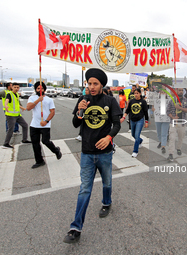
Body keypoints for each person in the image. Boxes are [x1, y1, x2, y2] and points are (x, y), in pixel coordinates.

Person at [63, 68, 122, 243]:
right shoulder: (82, 100)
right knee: (85, 189)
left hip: (104, 153)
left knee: (107, 181)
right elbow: (75, 123)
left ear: (102, 84)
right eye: (89, 83)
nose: (92, 86)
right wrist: (80, 111)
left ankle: (106, 202)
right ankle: (76, 227)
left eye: (95, 83)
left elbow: (117, 125)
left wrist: (109, 137)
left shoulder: (110, 101)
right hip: (87, 153)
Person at [26, 82, 62, 169]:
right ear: (35, 89)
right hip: (34, 125)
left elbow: (52, 112)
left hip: (45, 125)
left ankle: (56, 150)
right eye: (38, 88)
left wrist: (46, 121)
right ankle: (39, 161)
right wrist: (38, 100)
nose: (40, 90)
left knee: (45, 141)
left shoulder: (49, 100)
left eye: (41, 88)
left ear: (45, 89)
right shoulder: (32, 98)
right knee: (35, 144)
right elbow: (28, 108)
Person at [120, 88, 149, 158]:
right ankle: (140, 140)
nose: (135, 94)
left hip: (140, 120)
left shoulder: (143, 102)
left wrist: (146, 122)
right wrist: (123, 117)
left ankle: (135, 151)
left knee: (136, 135)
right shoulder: (132, 101)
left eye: (137, 93)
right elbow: (127, 110)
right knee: (133, 135)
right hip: (132, 120)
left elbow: (145, 112)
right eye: (134, 93)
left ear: (140, 93)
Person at [3, 83, 31, 149]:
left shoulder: (16, 95)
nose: (16, 88)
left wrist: (22, 108)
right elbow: (7, 100)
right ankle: (6, 143)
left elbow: (16, 104)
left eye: (17, 87)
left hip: (17, 115)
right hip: (10, 115)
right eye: (15, 87)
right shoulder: (9, 94)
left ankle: (24, 140)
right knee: (11, 129)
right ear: (11, 87)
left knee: (25, 125)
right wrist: (6, 105)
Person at [166, 88, 187, 162]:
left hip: (182, 123)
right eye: (179, 90)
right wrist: (173, 117)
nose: (180, 91)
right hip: (173, 123)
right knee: (172, 138)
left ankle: (179, 148)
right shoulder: (172, 101)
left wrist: (179, 108)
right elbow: (168, 111)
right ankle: (171, 154)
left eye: (181, 90)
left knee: (181, 137)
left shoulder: (186, 101)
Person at [152, 89, 170, 154]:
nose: (163, 94)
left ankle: (163, 146)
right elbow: (153, 107)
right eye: (162, 92)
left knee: (164, 133)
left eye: (164, 93)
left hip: (166, 119)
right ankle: (160, 142)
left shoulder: (169, 101)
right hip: (158, 119)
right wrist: (153, 109)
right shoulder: (156, 101)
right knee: (159, 132)